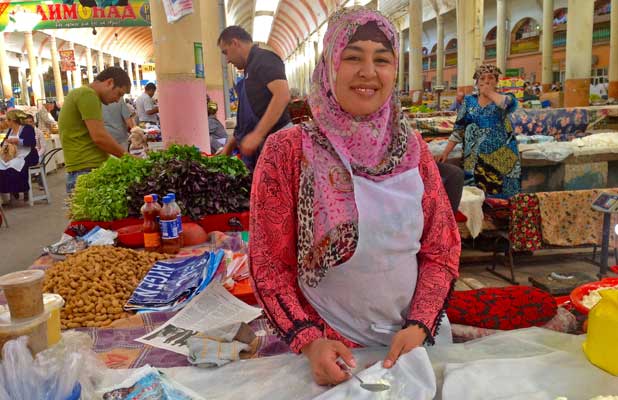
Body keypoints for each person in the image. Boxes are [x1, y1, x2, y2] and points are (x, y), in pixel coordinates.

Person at [249, 8, 460, 387]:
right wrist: (310, 341)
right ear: (329, 63)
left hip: (413, 344)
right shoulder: (288, 151)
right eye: (352, 57)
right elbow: (269, 265)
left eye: (382, 60)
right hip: (331, 351)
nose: (368, 72)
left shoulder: (413, 152)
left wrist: (420, 325)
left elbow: (440, 249)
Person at [438, 64, 520, 198]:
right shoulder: (469, 102)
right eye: (482, 78)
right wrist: (446, 152)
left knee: (499, 199)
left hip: (499, 157)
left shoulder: (505, 98)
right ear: (477, 82)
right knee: (474, 196)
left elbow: (507, 104)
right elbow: (458, 129)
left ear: (497, 81)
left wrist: (489, 93)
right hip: (473, 160)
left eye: (491, 78)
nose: (486, 81)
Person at [217, 26, 292, 171]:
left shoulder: (265, 59)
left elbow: (282, 95)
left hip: (279, 143)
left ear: (235, 43)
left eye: (226, 52)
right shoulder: (248, 69)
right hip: (264, 145)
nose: (227, 60)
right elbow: (247, 122)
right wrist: (228, 147)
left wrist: (257, 135)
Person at [58, 67, 131, 193]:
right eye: (119, 93)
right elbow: (99, 137)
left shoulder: (83, 94)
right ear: (109, 82)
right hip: (87, 171)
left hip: (84, 170)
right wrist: (129, 159)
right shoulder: (88, 94)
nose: (117, 100)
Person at [0, 110, 38, 201]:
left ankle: (21, 189)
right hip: (12, 155)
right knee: (1, 166)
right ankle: (9, 191)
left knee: (13, 167)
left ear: (12, 120)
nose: (6, 122)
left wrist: (18, 141)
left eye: (7, 120)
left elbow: (32, 142)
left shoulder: (27, 128)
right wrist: (5, 143)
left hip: (27, 155)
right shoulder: (10, 130)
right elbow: (3, 143)